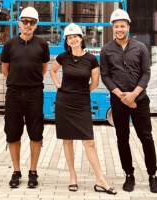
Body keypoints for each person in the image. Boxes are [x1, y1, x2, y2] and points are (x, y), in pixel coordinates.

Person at [49, 23, 117, 195]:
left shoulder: (91, 59)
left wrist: (82, 91)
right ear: (67, 41)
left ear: (81, 38)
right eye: (69, 37)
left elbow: (94, 82)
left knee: (89, 141)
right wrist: (58, 85)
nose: (73, 39)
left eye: (75, 36)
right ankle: (72, 176)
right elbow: (52, 71)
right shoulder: (63, 57)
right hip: (64, 102)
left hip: (81, 103)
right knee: (67, 140)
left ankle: (100, 179)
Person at [100, 9, 157, 193]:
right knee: (122, 138)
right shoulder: (106, 50)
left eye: (122, 26)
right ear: (113, 28)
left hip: (139, 100)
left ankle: (152, 175)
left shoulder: (140, 47)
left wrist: (133, 95)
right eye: (116, 26)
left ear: (128, 27)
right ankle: (129, 174)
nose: (119, 29)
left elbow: (146, 73)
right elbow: (105, 76)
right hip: (119, 101)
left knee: (146, 137)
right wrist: (122, 96)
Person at [1, 7, 50, 189]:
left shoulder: (42, 45)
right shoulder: (9, 44)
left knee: (36, 133)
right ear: (19, 23)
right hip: (13, 94)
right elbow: (5, 70)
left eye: (32, 22)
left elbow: (43, 68)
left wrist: (30, 81)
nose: (28, 25)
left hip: (34, 93)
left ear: (36, 25)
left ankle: (33, 171)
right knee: (13, 134)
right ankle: (16, 171)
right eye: (25, 21)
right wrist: (17, 81)